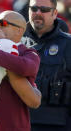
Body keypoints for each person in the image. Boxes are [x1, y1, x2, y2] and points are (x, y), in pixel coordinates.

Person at [21, 0, 71, 130]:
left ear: (54, 13)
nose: (38, 13)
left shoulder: (68, 44)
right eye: (34, 8)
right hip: (20, 120)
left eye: (43, 10)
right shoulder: (16, 41)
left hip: (56, 123)